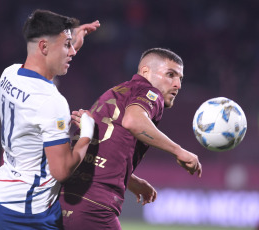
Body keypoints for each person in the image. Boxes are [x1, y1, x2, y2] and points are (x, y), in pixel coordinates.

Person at [0, 9, 100, 230]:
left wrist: (71, 40)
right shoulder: (52, 102)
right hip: (25, 211)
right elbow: (61, 170)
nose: (72, 52)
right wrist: (86, 136)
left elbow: (44, 69)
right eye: (66, 46)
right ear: (44, 47)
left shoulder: (9, 75)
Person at [59, 48, 203, 229]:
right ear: (145, 72)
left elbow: (101, 151)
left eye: (180, 78)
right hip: (94, 207)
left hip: (63, 201)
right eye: (170, 75)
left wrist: (130, 180)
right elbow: (133, 121)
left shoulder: (115, 93)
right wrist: (178, 151)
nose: (177, 84)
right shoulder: (151, 93)